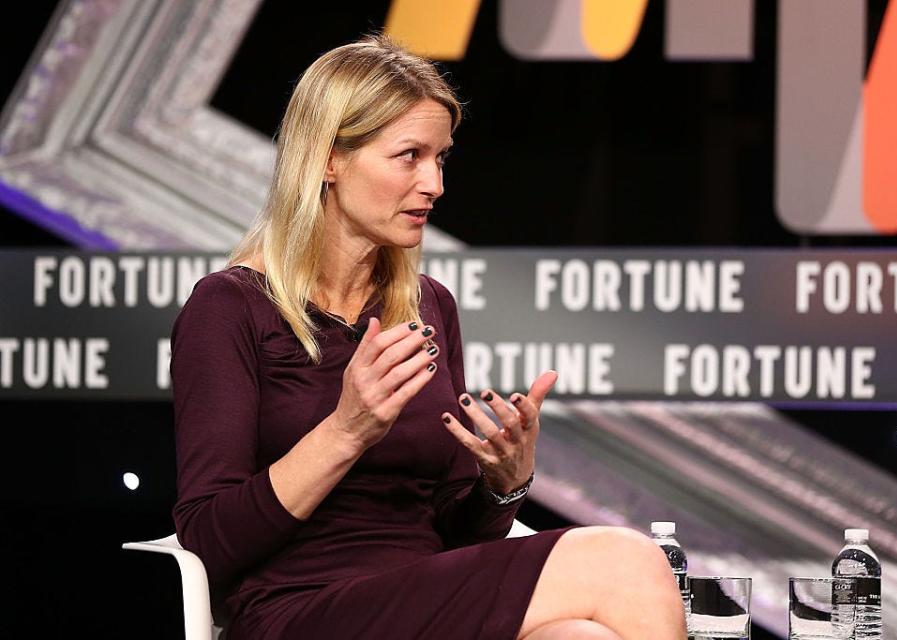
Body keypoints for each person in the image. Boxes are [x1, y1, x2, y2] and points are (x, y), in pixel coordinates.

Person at [170, 33, 685, 640]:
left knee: (582, 637)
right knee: (627, 562)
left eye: (440, 158)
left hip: (425, 599)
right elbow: (207, 540)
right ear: (329, 159)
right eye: (409, 156)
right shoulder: (230, 307)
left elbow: (455, 531)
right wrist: (345, 431)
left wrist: (502, 484)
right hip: (298, 609)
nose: (434, 184)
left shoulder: (427, 306)